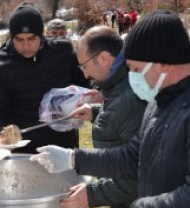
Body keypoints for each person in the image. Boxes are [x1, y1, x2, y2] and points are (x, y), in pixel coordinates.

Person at [31, 10, 190, 208]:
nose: (133, 77)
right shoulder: (158, 102)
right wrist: (73, 159)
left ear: (164, 63)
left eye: (137, 70)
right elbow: (133, 156)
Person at [0, 1, 90, 153]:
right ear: (11, 37)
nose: (26, 46)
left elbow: (88, 82)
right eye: (19, 40)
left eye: (32, 38)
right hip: (25, 152)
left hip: (65, 146)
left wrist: (92, 98)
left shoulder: (62, 52)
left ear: (41, 34)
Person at [68, 26, 147, 208]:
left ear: (104, 58)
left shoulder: (131, 98)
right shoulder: (117, 85)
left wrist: (91, 195)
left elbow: (138, 178)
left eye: (84, 66)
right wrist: (95, 112)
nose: (85, 74)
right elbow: (118, 117)